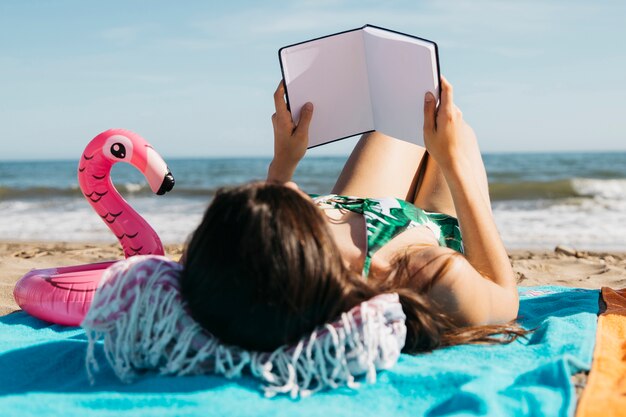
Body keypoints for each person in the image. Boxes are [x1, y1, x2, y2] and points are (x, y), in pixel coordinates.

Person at [180, 77, 525, 354]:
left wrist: (283, 163)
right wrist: (453, 162)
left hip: (358, 215)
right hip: (427, 233)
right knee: (458, 133)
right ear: (300, 239)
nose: (284, 186)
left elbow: (264, 259)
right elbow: (506, 298)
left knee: (407, 109)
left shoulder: (270, 264)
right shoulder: (431, 278)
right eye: (279, 196)